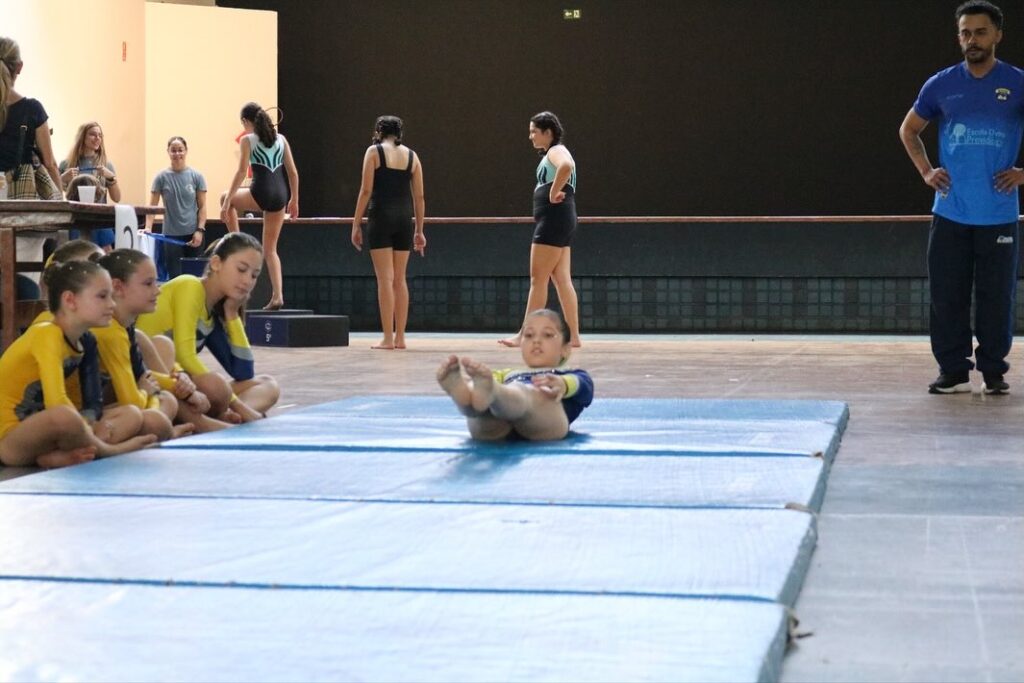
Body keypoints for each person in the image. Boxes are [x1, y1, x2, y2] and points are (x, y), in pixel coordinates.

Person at [899, 1, 1023, 395]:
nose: (972, 40)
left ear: (997, 35)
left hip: (998, 213)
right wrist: (926, 171)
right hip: (950, 212)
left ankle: (993, 372)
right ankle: (952, 371)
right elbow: (909, 130)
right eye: (965, 33)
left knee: (996, 298)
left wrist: (1023, 173)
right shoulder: (941, 85)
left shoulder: (1017, 83)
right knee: (946, 297)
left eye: (980, 32)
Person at [0, 260, 158, 468]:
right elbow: (56, 403)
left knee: (132, 413)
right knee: (64, 415)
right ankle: (110, 450)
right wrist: (87, 427)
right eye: (102, 296)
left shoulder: (85, 340)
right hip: (9, 437)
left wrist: (91, 423)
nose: (112, 304)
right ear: (70, 300)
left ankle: (59, 455)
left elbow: (92, 402)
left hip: (50, 429)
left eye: (111, 296)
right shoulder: (46, 334)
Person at [136, 232, 279, 424]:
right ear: (216, 263)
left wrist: (232, 314)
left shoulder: (212, 312)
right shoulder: (190, 286)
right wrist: (238, 405)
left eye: (254, 275)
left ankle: (228, 418)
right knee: (215, 385)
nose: (247, 281)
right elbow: (185, 356)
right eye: (241, 270)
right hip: (155, 382)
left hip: (183, 386)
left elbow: (243, 372)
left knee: (268, 384)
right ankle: (225, 417)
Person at [95, 249, 229, 439]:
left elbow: (141, 374)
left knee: (167, 400)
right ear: (117, 287)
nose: (158, 290)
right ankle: (171, 430)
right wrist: (148, 392)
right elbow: (132, 398)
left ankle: (172, 428)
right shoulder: (111, 332)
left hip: (100, 408)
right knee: (155, 419)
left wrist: (181, 385)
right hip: (83, 417)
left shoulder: (124, 327)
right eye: (148, 283)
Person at [438, 308, 593, 441]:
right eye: (529, 335)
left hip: (546, 424)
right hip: (497, 426)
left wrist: (563, 384)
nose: (536, 340)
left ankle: (493, 393)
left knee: (519, 391)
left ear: (565, 349)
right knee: (484, 402)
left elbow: (585, 387)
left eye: (547, 335)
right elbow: (486, 383)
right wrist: (474, 387)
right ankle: (467, 401)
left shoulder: (570, 374)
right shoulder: (506, 374)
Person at [499, 111, 582, 349]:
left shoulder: (556, 151)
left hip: (554, 220)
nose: (531, 136)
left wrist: (554, 192)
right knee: (561, 279)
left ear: (548, 132)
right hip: (561, 219)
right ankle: (573, 336)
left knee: (538, 279)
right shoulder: (552, 153)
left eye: (534, 131)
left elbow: (567, 166)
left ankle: (525, 335)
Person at [351, 115, 426, 349]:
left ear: (378, 132)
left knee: (385, 279)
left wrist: (356, 223)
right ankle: (400, 338)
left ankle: (387, 338)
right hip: (404, 220)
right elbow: (420, 197)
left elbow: (365, 190)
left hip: (381, 218)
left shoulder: (373, 152)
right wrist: (419, 230)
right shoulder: (412, 156)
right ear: (399, 133)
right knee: (400, 279)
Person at [221, 102, 299, 310]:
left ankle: (237, 242)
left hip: (260, 192)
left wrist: (227, 201)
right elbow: (293, 172)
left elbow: (241, 172)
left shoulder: (247, 140)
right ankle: (278, 296)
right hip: (281, 196)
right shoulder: (281, 139)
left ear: (246, 121)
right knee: (271, 250)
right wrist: (294, 200)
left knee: (225, 198)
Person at [0, 36, 61, 195]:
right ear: (19, 67)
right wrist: (60, 199)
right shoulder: (33, 109)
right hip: (21, 196)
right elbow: (50, 163)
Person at [145, 136, 207, 279]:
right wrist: (148, 227)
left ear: (186, 151)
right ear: (168, 152)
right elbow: (152, 207)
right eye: (173, 150)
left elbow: (203, 207)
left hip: (193, 235)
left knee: (195, 279)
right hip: (171, 237)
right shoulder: (161, 177)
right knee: (175, 278)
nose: (177, 154)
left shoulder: (197, 176)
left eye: (180, 150)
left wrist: (200, 230)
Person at [59, 121, 120, 251]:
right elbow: (53, 194)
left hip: (100, 219)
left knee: (106, 255)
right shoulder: (66, 164)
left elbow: (117, 198)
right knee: (78, 254)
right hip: (76, 219)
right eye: (93, 134)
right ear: (82, 137)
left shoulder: (106, 165)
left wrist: (111, 178)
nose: (97, 138)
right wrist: (62, 178)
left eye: (100, 135)